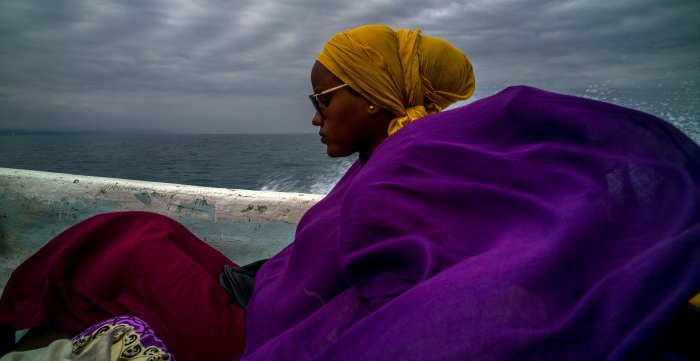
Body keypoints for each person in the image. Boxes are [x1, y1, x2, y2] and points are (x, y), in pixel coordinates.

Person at [1, 24, 699, 360]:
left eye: (323, 98)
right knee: (153, 236)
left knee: (128, 237)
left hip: (255, 331)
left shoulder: (409, 159)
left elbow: (412, 287)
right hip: (267, 295)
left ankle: (16, 324)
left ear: (370, 98)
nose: (314, 116)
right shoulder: (404, 152)